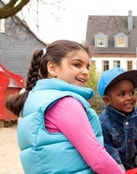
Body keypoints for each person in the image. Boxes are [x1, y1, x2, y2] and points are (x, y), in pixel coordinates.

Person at [4, 40, 124, 173]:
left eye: (87, 66)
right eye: (77, 64)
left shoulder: (35, 101)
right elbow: (97, 157)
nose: (85, 72)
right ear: (52, 68)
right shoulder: (65, 103)